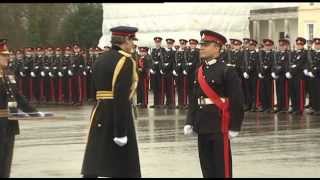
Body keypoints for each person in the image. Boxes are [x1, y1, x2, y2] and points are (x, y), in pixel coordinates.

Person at [81, 26, 141, 178]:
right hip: (117, 112)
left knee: (96, 158)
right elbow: (121, 97)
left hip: (99, 110)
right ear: (126, 40)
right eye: (132, 40)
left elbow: (92, 90)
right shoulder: (126, 60)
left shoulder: (101, 58)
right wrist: (120, 131)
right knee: (124, 166)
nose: (133, 44)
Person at [184, 30, 244, 178]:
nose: (201, 48)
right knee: (206, 167)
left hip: (219, 125)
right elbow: (194, 98)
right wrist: (189, 121)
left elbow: (237, 101)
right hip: (202, 124)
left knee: (221, 168)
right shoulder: (199, 71)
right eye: (201, 44)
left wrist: (235, 126)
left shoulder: (227, 70)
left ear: (217, 48)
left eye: (205, 45)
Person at [0, 39, 44, 178]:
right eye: (4, 55)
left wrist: (34, 112)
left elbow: (17, 96)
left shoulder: (8, 73)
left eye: (8, 54)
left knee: (6, 160)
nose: (8, 57)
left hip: (9, 123)